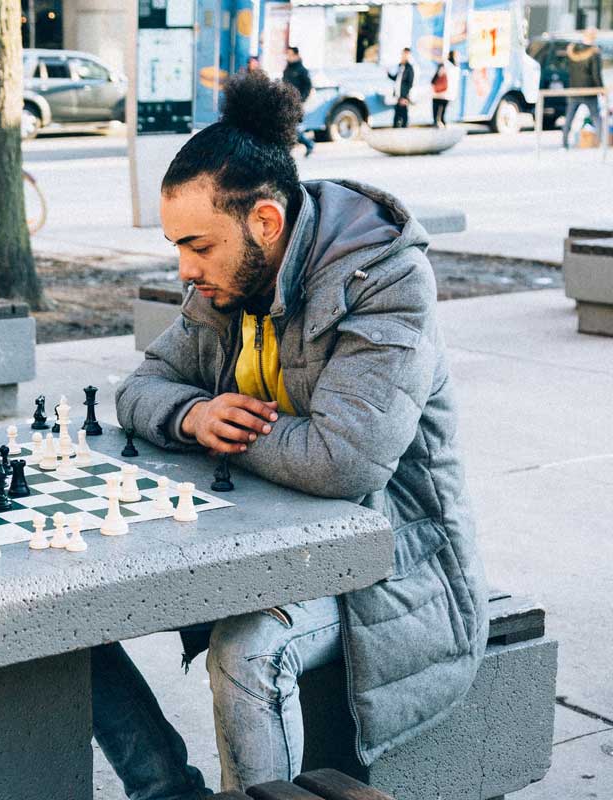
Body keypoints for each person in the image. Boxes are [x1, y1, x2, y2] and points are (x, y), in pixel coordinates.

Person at [92, 71, 487, 797]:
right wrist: (194, 414)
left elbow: (345, 461)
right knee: (70, 615)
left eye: (196, 245)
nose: (184, 268)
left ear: (265, 224)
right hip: (267, 540)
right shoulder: (228, 282)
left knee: (246, 650)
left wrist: (229, 434)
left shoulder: (386, 278)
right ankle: (167, 791)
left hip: (389, 562)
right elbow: (137, 390)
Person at [562, 29, 604, 149]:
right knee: (596, 118)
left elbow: (568, 70)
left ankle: (564, 144)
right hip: (589, 90)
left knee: (569, 118)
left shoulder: (572, 50)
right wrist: (600, 89)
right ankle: (600, 143)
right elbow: (596, 74)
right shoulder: (594, 53)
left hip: (574, 89)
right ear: (593, 38)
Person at [281, 46, 315, 156]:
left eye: (290, 54)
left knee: (290, 127)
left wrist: (301, 100)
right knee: (288, 127)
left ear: (296, 55)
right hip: (286, 102)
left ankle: (288, 151)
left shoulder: (302, 70)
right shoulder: (287, 69)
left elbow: (308, 86)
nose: (288, 57)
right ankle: (307, 143)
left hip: (296, 104)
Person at [389, 48, 416, 128]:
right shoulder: (400, 66)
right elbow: (396, 79)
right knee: (398, 112)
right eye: (403, 54)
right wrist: (388, 74)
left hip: (403, 95)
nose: (403, 56)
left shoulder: (409, 68)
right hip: (398, 94)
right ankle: (397, 127)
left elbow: (410, 83)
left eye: (406, 54)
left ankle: (403, 128)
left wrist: (404, 96)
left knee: (403, 113)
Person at [431, 51, 458, 128]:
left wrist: (433, 84)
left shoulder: (444, 65)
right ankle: (442, 121)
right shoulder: (455, 67)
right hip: (448, 92)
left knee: (436, 109)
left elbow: (436, 77)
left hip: (439, 92)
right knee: (443, 110)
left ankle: (436, 122)